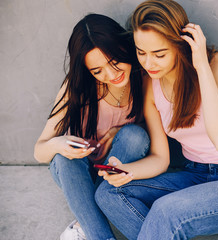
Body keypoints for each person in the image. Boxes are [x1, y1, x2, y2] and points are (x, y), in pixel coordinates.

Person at [95, 0, 218, 239]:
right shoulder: (150, 83)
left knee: (167, 211)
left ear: (180, 45)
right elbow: (160, 158)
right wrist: (125, 170)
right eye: (141, 52)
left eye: (159, 54)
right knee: (108, 193)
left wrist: (200, 66)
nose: (148, 63)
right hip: (194, 176)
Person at [33, 13, 151, 240]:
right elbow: (39, 151)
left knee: (135, 135)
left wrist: (119, 131)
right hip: (77, 173)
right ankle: (100, 235)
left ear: (124, 49)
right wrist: (59, 143)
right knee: (64, 157)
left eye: (115, 62)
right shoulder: (76, 87)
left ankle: (83, 219)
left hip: (117, 167)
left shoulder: (142, 78)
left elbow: (149, 134)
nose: (111, 75)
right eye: (97, 71)